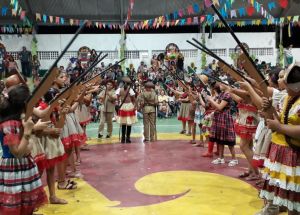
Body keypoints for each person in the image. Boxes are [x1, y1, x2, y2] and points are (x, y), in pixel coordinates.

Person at [257, 62, 300, 215]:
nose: (282, 83)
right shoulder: (287, 98)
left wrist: (280, 127)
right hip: (281, 152)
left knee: (294, 202)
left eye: (285, 81)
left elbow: (283, 126)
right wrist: (268, 110)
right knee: (287, 197)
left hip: (295, 155)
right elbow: (277, 121)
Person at [0, 85, 48, 215]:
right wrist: (28, 131)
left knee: (26, 201)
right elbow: (17, 152)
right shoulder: (9, 125)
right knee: (15, 205)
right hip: (15, 168)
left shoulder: (18, 119)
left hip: (24, 166)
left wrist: (30, 129)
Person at [206, 82, 238, 166]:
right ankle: (221, 158)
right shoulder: (221, 94)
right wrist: (212, 101)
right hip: (219, 117)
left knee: (228, 139)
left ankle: (234, 159)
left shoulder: (227, 95)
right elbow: (214, 106)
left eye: (221, 84)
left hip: (225, 118)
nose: (219, 86)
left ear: (225, 85)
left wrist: (211, 100)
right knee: (219, 139)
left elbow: (220, 107)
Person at [116, 76, 137, 143]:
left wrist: (118, 103)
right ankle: (128, 138)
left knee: (123, 123)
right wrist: (135, 106)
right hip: (129, 106)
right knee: (129, 123)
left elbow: (116, 98)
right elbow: (134, 99)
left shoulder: (119, 89)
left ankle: (123, 138)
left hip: (122, 106)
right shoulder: (130, 89)